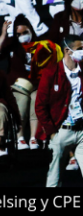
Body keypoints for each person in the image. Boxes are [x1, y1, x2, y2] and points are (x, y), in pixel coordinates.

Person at [0, 15, 60, 149]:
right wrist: (3, 35)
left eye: (25, 32)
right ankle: (20, 138)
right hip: (18, 85)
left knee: (37, 102)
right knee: (21, 102)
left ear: (31, 30)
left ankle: (34, 138)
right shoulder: (12, 44)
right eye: (19, 34)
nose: (22, 36)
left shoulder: (41, 44)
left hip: (37, 85)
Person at [36, 35, 83, 187]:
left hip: (81, 131)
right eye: (80, 49)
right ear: (67, 51)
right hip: (61, 131)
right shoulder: (51, 73)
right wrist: (51, 133)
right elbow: (40, 106)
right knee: (54, 177)